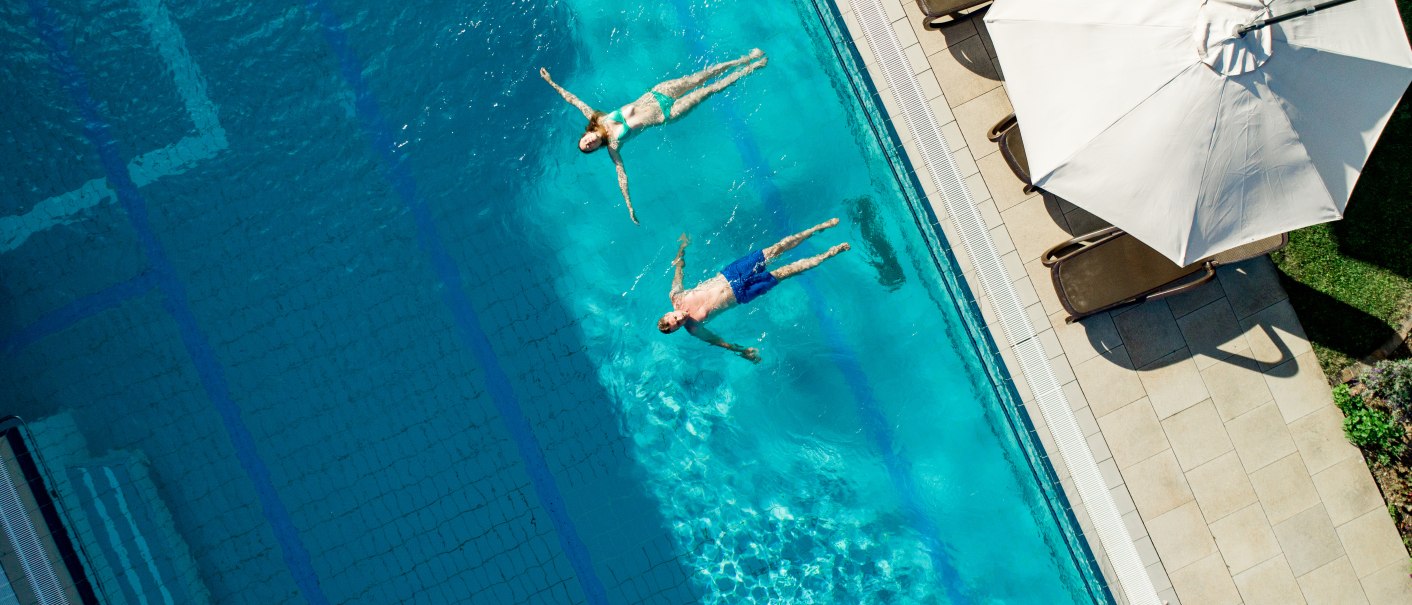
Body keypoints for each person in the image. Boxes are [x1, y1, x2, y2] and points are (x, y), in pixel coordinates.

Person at [539, 49, 768, 224]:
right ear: (594, 148)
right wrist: (629, 206)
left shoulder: (598, 118)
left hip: (658, 93)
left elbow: (573, 100)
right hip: (667, 113)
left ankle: (744, 59)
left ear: (587, 133)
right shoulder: (613, 146)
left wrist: (551, 82)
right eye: (588, 148)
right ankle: (752, 68)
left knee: (702, 76)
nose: (588, 144)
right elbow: (621, 176)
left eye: (585, 142)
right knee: (710, 89)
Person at [659, 218, 850, 362]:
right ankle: (829, 254)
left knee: (776, 249)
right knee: (786, 272)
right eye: (678, 324)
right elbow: (717, 341)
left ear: (669, 312)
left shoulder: (676, 296)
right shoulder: (693, 328)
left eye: (674, 317)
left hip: (731, 273)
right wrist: (742, 352)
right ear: (678, 329)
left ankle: (817, 229)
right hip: (742, 294)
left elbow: (678, 270)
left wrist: (682, 247)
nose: (680, 319)